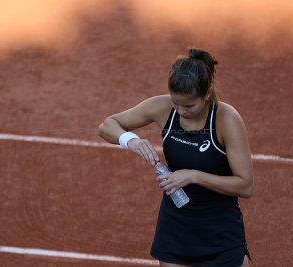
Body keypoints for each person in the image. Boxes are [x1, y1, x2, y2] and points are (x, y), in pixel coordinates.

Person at [98, 48, 253, 267]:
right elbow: (107, 126)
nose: (181, 111)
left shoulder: (226, 119)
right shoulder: (162, 108)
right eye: (175, 102)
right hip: (176, 230)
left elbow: (245, 186)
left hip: (221, 232)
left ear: (207, 94)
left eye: (189, 105)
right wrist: (130, 139)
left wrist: (194, 176)